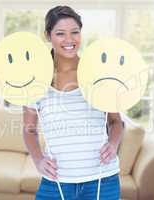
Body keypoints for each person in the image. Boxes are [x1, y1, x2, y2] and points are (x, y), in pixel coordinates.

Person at [23, 5, 124, 200]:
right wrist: (38, 159)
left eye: (75, 32)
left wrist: (113, 143)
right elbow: (29, 129)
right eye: (60, 33)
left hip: (103, 180)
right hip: (56, 183)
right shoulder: (35, 79)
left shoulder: (98, 73)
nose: (69, 40)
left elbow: (115, 122)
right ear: (48, 35)